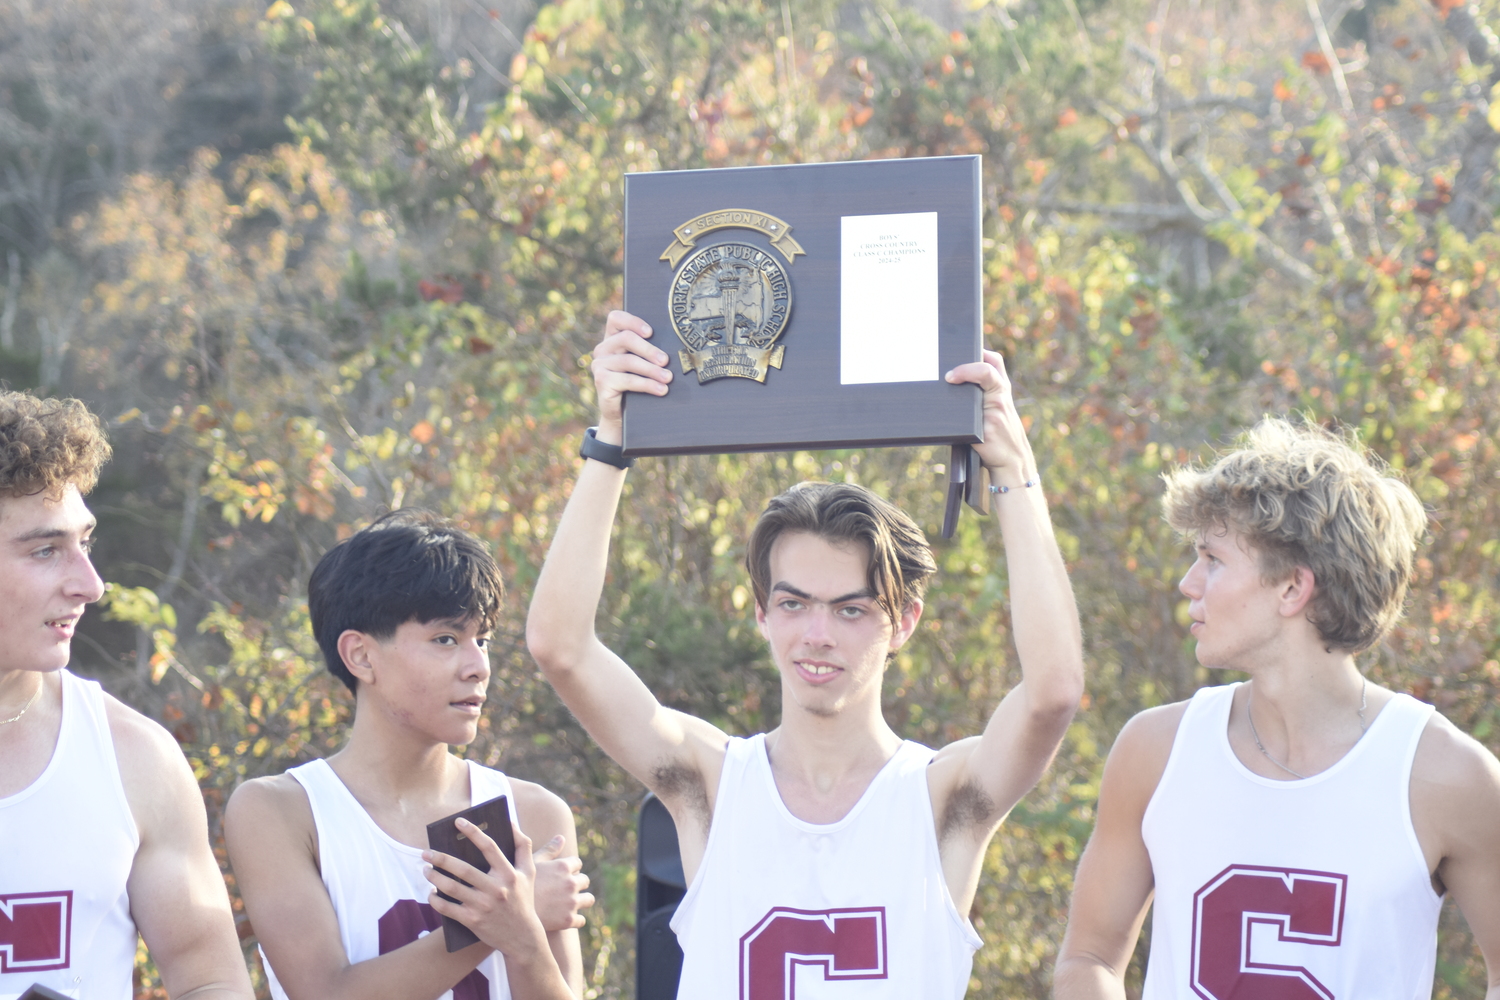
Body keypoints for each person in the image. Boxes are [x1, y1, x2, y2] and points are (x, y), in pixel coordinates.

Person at [525, 311, 1085, 998]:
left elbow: (1053, 689)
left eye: (851, 610)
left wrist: (1013, 469)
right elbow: (560, 647)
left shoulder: (943, 799)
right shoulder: (711, 786)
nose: (817, 633)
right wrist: (611, 440)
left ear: (904, 621)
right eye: (793, 604)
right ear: (761, 612)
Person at [1053, 418, 1500, 999]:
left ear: (1292, 587)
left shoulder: (1447, 777)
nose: (1190, 583)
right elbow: (1088, 958)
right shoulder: (1155, 751)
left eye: (1212, 559)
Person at [225, 510, 594, 1000]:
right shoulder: (280, 811)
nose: (478, 666)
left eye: (481, 640)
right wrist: (501, 920)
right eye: (446, 639)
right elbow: (324, 993)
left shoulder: (533, 813)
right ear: (360, 655)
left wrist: (523, 939)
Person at [0, 392, 254, 1000]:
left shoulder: (134, 758)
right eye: (45, 550)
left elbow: (211, 980)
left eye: (84, 543)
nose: (90, 585)